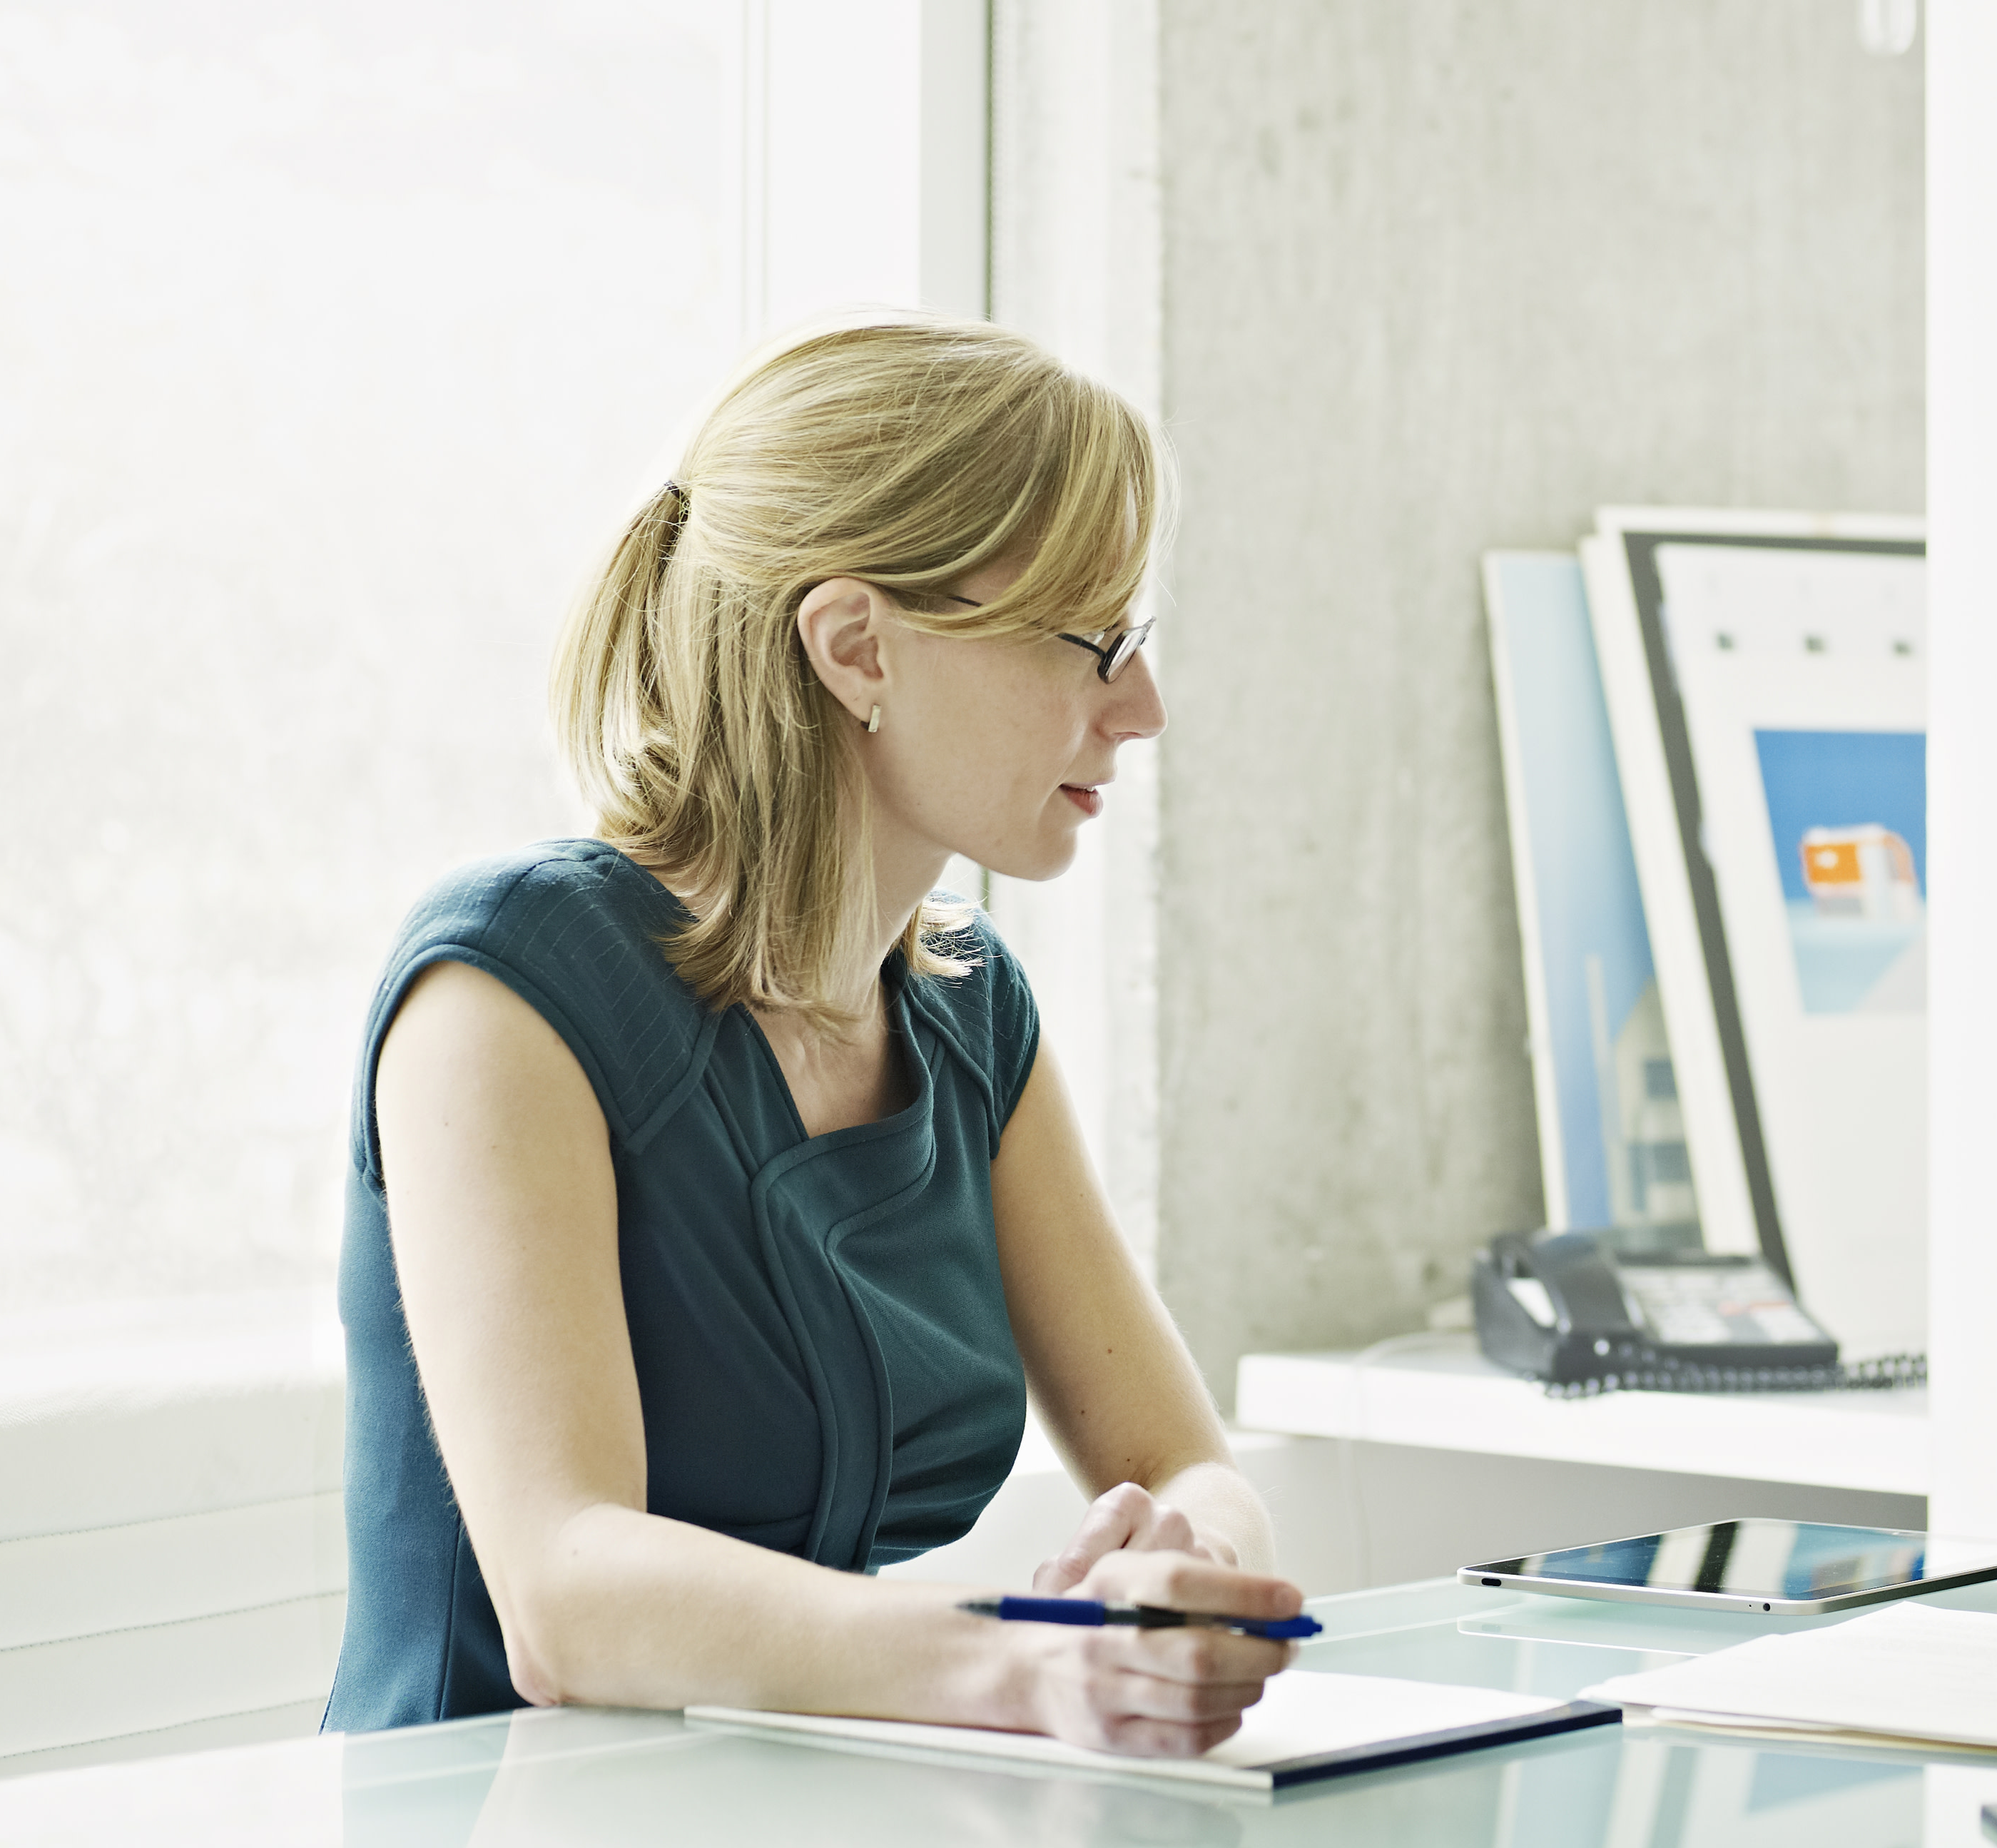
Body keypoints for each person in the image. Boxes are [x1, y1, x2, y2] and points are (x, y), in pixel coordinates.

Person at [324, 320, 1303, 1754]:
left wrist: (1189, 1567)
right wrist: (1027, 1665)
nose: (1142, 706)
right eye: (1093, 641)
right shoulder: (507, 986)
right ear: (858, 647)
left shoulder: (969, 1010)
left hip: (804, 1843)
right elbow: (562, 1594)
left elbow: (1180, 1455)